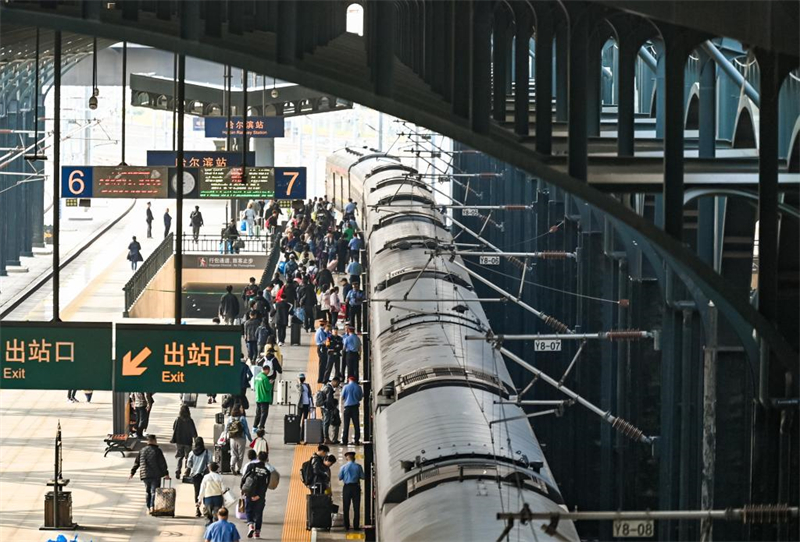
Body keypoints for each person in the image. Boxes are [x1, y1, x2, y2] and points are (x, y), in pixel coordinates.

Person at [129, 434, 170, 514]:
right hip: (156, 475)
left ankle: (148, 507)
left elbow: (137, 462)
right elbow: (162, 463)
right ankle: (152, 507)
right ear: (154, 441)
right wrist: (166, 473)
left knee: (148, 492)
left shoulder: (142, 450)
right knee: (154, 491)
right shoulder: (157, 451)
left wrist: (132, 472)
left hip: (145, 475)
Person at [240, 451, 270, 539]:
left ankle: (250, 525)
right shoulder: (267, 472)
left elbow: (244, 478)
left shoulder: (251, 466)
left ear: (258, 457)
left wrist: (242, 489)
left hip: (249, 493)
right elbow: (266, 485)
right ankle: (257, 533)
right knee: (259, 513)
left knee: (249, 510)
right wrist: (259, 496)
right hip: (260, 496)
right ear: (266, 459)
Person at [339, 451, 365, 530]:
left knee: (346, 507)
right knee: (356, 507)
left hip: (346, 487)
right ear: (354, 458)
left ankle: (346, 525)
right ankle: (356, 526)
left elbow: (340, 477)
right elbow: (362, 477)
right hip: (356, 487)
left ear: (347, 458)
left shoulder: (343, 467)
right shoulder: (358, 466)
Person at [185, 437, 211, 517]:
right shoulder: (207, 452)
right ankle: (205, 508)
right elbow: (210, 463)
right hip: (205, 475)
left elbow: (189, 464)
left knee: (197, 492)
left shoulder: (192, 453)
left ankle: (197, 509)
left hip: (195, 476)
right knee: (205, 492)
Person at [171, 404, 198, 479]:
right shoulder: (190, 420)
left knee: (179, 456)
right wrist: (196, 440)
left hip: (179, 441)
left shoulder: (178, 419)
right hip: (188, 441)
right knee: (188, 457)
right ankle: (186, 472)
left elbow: (174, 428)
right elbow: (193, 431)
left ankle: (178, 469)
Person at [227, 406, 252, 475]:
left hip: (232, 438)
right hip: (241, 438)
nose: (242, 409)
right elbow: (246, 430)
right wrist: (250, 439)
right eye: (241, 408)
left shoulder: (230, 418)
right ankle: (238, 469)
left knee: (234, 453)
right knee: (240, 455)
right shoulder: (242, 418)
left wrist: (226, 437)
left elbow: (226, 429)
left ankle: (232, 465)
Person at [341, 375, 363, 446]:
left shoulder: (345, 387)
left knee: (346, 425)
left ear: (349, 380)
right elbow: (360, 398)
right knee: (356, 424)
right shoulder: (358, 387)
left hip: (347, 408)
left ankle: (345, 441)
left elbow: (342, 397)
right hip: (355, 408)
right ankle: (356, 440)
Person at [253, 366, 274, 431]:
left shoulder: (257, 376)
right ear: (267, 370)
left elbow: (255, 385)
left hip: (258, 397)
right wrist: (270, 383)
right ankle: (261, 427)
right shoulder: (265, 378)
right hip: (264, 398)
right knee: (264, 414)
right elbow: (268, 388)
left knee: (258, 413)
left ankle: (254, 427)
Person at [321, 376, 340, 444]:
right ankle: (326, 438)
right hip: (327, 408)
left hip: (324, 407)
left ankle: (325, 438)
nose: (337, 385)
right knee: (326, 423)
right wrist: (332, 407)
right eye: (337, 383)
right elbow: (329, 400)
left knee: (325, 422)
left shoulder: (325, 386)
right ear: (334, 381)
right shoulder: (329, 388)